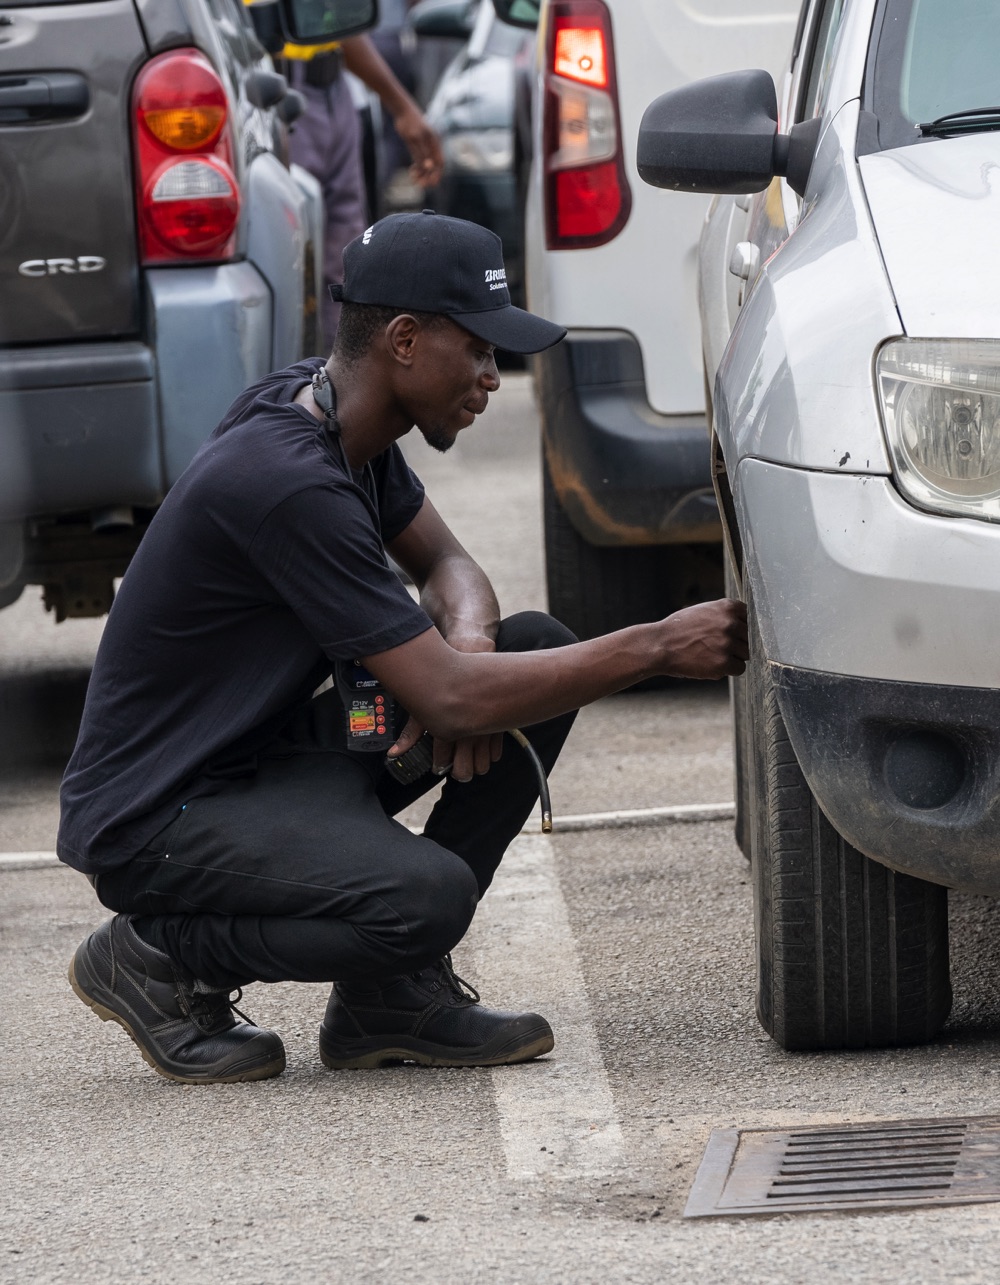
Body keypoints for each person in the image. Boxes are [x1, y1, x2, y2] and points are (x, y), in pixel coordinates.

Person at [58, 212, 749, 1085]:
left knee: (532, 650)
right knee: (428, 895)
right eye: (483, 351)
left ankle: (388, 996)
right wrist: (655, 644)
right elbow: (456, 700)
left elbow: (453, 567)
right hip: (157, 814)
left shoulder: (344, 428)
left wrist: (465, 641)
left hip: (250, 764)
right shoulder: (287, 482)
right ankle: (159, 957)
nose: (497, 377)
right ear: (407, 341)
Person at [280, 31, 444, 348]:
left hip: (335, 85)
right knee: (292, 260)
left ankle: (340, 386)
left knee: (345, 261)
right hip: (280, 82)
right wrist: (401, 106)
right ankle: (289, 388)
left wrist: (402, 107)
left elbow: (339, 18)